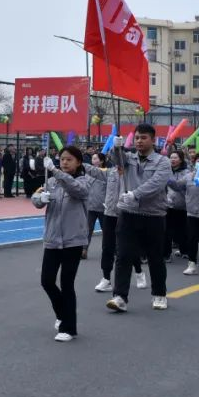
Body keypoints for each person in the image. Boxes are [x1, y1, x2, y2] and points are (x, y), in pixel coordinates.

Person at [105, 123, 171, 313]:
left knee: (155, 257)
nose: (139, 141)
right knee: (123, 255)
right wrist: (116, 147)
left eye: (143, 138)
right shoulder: (128, 157)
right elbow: (115, 160)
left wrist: (135, 194)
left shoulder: (162, 161)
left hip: (153, 215)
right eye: (136, 138)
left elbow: (156, 184)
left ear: (153, 140)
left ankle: (159, 294)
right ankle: (120, 296)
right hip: (128, 213)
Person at [33, 146, 92, 342]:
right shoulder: (51, 181)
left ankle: (69, 328)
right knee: (47, 281)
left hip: (73, 240)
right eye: (62, 159)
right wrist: (39, 199)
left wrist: (56, 171)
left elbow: (77, 190)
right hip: (52, 238)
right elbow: (37, 198)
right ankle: (62, 314)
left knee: (67, 283)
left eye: (69, 159)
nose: (64, 162)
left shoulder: (83, 181)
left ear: (78, 162)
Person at [95, 162, 147, 293]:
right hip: (109, 213)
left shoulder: (134, 172)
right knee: (107, 246)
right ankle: (106, 278)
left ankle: (139, 272)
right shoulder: (110, 172)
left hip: (126, 213)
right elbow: (94, 172)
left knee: (128, 246)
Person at [164, 150, 191, 271]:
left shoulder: (187, 172)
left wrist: (167, 178)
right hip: (168, 205)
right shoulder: (166, 171)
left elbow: (178, 186)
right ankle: (166, 254)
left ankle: (185, 250)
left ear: (181, 159)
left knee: (183, 230)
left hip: (182, 205)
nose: (173, 160)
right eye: (171, 157)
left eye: (175, 158)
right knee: (167, 231)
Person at [84, 152, 107, 260]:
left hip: (103, 207)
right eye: (92, 158)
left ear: (101, 161)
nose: (93, 160)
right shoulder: (87, 173)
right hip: (90, 206)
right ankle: (84, 250)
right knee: (87, 230)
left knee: (106, 230)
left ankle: (108, 250)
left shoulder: (106, 173)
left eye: (95, 158)